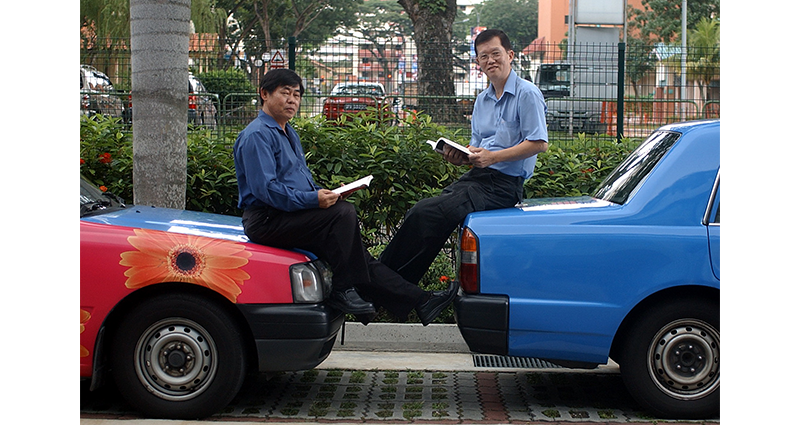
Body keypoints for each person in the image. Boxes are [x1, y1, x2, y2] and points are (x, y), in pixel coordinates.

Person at [233, 68, 458, 325]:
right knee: (343, 215)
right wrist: (314, 200)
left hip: (289, 216)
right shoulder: (257, 135)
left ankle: (422, 301)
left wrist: (329, 193)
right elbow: (267, 190)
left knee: (357, 256)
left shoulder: (288, 132)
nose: (292, 100)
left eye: (296, 95)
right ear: (264, 94)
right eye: (285, 93)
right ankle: (343, 290)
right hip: (267, 221)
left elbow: (298, 181)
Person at [380, 29, 549, 285]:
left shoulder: (527, 93)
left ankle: (387, 287)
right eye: (484, 57)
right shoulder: (482, 100)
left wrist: (493, 157)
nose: (490, 61)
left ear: (510, 55)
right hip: (478, 178)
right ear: (478, 63)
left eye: (496, 53)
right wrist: (462, 156)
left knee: (427, 214)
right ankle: (386, 284)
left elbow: (539, 143)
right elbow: (479, 148)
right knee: (419, 213)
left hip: (503, 187)